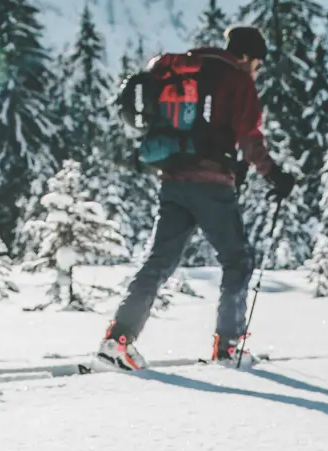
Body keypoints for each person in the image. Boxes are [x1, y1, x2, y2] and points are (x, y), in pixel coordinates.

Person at [98, 25, 298, 372]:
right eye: (258, 63)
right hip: (211, 185)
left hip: (172, 180)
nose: (257, 71)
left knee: (158, 263)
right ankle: (228, 349)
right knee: (237, 260)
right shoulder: (237, 80)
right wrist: (275, 175)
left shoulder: (187, 70)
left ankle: (118, 341)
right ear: (246, 56)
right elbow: (249, 137)